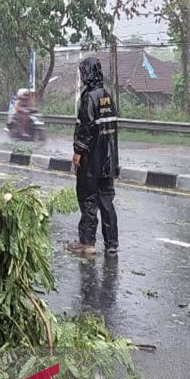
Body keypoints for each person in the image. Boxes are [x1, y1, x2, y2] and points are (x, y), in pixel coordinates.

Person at [70, 56, 119, 256]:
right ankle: (112, 243)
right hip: (109, 160)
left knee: (88, 199)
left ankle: (87, 242)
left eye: (83, 72)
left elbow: (86, 127)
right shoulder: (108, 96)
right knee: (106, 200)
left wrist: (78, 151)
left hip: (92, 160)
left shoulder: (89, 97)